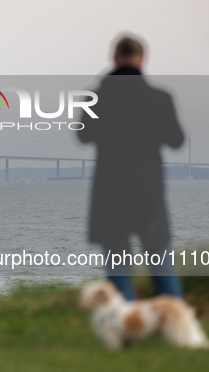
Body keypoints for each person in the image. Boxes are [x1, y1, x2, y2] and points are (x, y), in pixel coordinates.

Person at [77, 35, 185, 300]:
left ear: (113, 59)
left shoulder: (96, 97)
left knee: (117, 269)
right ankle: (177, 326)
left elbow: (83, 135)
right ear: (142, 58)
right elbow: (176, 139)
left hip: (110, 190)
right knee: (161, 263)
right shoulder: (161, 98)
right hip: (148, 191)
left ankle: (126, 329)